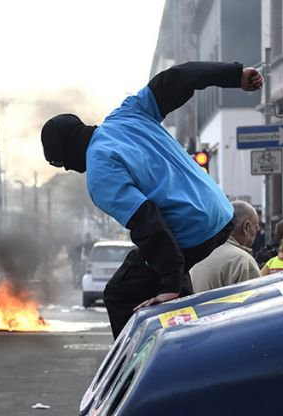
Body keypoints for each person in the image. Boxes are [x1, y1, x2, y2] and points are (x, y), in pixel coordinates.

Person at [41, 61, 263, 338]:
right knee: (159, 267)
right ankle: (187, 326)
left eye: (61, 163)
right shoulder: (127, 114)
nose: (67, 169)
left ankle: (149, 361)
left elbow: (147, 222)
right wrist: (234, 75)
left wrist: (169, 285)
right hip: (221, 212)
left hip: (193, 230)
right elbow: (178, 77)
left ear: (68, 151)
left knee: (120, 293)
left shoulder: (99, 173)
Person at [190, 200, 261, 292]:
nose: (256, 234)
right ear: (246, 227)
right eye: (256, 228)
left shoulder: (198, 252)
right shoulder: (243, 261)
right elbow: (255, 298)